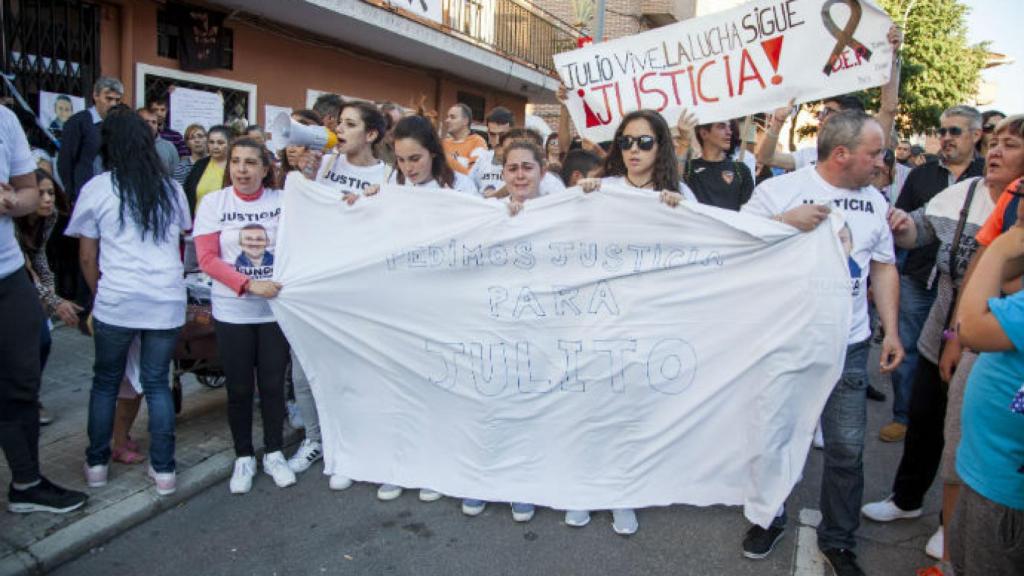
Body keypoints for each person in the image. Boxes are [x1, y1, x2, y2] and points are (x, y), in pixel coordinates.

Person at [739, 110, 904, 575]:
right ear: (841, 154)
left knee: (847, 449)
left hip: (848, 346)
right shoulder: (779, 190)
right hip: (784, 339)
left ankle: (839, 541)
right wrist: (784, 221)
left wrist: (890, 330)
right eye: (875, 153)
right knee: (774, 436)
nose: (881, 161)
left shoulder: (875, 201)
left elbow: (884, 266)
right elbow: (738, 244)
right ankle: (767, 517)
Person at [865, 115, 1024, 569]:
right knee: (924, 415)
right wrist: (898, 224)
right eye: (995, 144)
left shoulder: (1015, 217)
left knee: (965, 440)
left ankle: (950, 529)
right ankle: (906, 497)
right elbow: (921, 232)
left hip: (982, 338)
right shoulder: (965, 193)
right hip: (945, 324)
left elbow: (1001, 287)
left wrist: (962, 334)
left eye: (1007, 145)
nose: (995, 152)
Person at [572, 109, 698, 536]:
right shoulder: (601, 189)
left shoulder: (680, 194)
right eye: (626, 141)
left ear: (661, 145)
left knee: (632, 412)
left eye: (644, 142)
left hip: (650, 321)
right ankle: (587, 489)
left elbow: (702, 248)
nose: (633, 150)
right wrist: (582, 200)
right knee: (594, 407)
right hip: (600, 318)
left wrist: (681, 214)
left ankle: (624, 494)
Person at [65, 106, 191, 496]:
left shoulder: (99, 187)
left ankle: (97, 464)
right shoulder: (170, 188)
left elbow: (87, 256)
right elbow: (181, 241)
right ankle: (164, 470)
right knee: (156, 383)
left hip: (118, 299)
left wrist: (100, 294)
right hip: (165, 299)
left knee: (105, 383)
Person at [193, 137, 296, 494]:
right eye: (236, 162)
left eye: (251, 163)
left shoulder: (283, 201)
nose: (241, 169)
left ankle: (274, 451)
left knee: (272, 386)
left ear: (266, 169)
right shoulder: (213, 203)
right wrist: (250, 285)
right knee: (238, 389)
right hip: (232, 311)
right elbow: (207, 259)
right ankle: (243, 456)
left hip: (274, 313)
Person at [881, 105, 986, 443]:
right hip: (917, 276)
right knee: (909, 349)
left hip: (964, 290)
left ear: (976, 135)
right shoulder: (921, 174)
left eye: (954, 131)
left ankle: (945, 423)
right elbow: (907, 223)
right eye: (942, 131)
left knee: (957, 355)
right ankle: (903, 416)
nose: (945, 138)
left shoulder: (986, 178)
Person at [2, 104, 88, 514]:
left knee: (23, 377)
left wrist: (15, 200)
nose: (50, 200)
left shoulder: (5, 122)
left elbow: (29, 195)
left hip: (8, 276)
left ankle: (27, 482)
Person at [460, 140, 550, 523]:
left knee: (530, 406)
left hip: (542, 328)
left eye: (527, 167)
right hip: (493, 326)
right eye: (511, 168)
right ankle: (484, 478)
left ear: (542, 171)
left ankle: (521, 483)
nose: (518, 175)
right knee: (490, 403)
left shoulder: (560, 211)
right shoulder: (485, 212)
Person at [949, 190, 1024, 575]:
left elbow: (971, 328)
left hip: (1006, 488)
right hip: (990, 472)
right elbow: (1009, 284)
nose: (1017, 204)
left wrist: (999, 248)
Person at [756, 26, 902, 172]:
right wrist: (777, 122)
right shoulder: (810, 156)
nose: (820, 118)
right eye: (821, 112)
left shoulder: (865, 156)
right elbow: (765, 158)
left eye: (828, 111)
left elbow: (889, 108)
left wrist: (891, 55)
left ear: (849, 119)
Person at [14, 170, 78, 425]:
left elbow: (39, 258)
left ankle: (29, 396)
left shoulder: (48, 218)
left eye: (51, 192)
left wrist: (50, 296)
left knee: (42, 340)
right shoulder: (11, 223)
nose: (47, 199)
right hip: (11, 280)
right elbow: (23, 266)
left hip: (29, 281)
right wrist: (54, 301)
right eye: (40, 193)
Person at [58, 76, 123, 201]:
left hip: (111, 196)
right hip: (84, 195)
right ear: (96, 96)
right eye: (108, 98)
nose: (113, 104)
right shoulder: (78, 121)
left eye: (117, 100)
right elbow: (65, 162)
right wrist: (72, 195)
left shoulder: (119, 124)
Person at [383, 114, 477, 196]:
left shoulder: (461, 186)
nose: (407, 168)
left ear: (432, 151)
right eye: (401, 160)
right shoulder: (395, 180)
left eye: (415, 159)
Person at [677, 115, 754, 211]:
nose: (729, 132)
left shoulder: (741, 170)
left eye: (729, 127)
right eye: (721, 127)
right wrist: (684, 140)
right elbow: (674, 182)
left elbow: (750, 211)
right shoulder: (688, 168)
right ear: (704, 133)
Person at [314, 101, 388, 197]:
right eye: (340, 122)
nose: (338, 129)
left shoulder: (389, 177)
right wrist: (308, 176)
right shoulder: (323, 162)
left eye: (350, 124)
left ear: (371, 135)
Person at [183, 125, 232, 215]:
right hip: (199, 223)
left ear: (229, 143)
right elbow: (188, 195)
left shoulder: (234, 167)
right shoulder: (200, 165)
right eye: (211, 142)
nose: (215, 146)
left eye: (220, 143)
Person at [441, 103, 487, 175]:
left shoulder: (478, 142)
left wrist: (447, 158)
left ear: (465, 121)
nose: (447, 120)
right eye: (447, 117)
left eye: (452, 117)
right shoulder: (444, 143)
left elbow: (473, 175)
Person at [137, 108, 179, 177]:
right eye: (146, 121)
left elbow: (176, 176)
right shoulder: (130, 146)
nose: (150, 125)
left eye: (154, 122)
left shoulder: (169, 147)